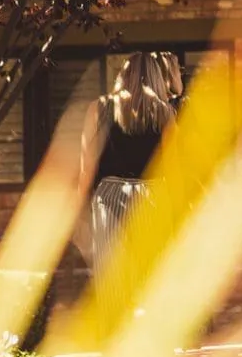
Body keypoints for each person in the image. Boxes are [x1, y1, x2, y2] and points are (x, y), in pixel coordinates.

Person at [75, 52, 177, 270]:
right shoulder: (166, 113)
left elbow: (87, 166)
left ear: (123, 75)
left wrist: (79, 210)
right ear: (157, 78)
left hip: (110, 197)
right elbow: (174, 166)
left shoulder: (99, 107)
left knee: (112, 278)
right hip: (153, 195)